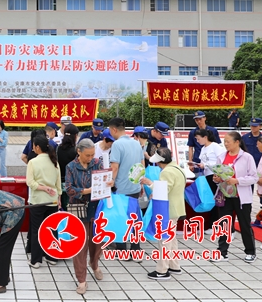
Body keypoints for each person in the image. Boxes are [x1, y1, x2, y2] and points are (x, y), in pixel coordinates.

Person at [140, 147, 187, 280]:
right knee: (171, 239)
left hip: (167, 209)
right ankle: (174, 265)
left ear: (161, 161)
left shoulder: (166, 172)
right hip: (176, 208)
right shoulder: (177, 168)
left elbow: (163, 190)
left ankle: (162, 270)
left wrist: (150, 183)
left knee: (164, 239)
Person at [65, 139, 105, 295]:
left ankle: (94, 264)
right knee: (80, 245)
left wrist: (108, 183)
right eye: (87, 155)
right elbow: (69, 189)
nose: (90, 158)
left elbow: (104, 181)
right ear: (78, 151)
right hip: (78, 208)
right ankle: (81, 279)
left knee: (97, 241)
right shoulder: (71, 167)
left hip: (95, 208)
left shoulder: (97, 163)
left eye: (92, 155)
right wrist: (87, 191)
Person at [210, 131, 257, 263]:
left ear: (237, 142)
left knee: (244, 224)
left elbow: (254, 177)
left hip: (241, 197)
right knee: (224, 223)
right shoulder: (221, 157)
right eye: (224, 141)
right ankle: (222, 252)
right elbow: (218, 174)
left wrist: (237, 181)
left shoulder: (247, 157)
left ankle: (250, 251)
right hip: (225, 195)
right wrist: (217, 179)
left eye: (228, 141)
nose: (225, 144)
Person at [107, 118, 143, 254]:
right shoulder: (136, 143)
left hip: (121, 189)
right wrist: (140, 184)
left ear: (114, 129)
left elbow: (114, 167)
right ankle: (135, 249)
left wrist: (111, 181)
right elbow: (141, 165)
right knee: (134, 218)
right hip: (135, 187)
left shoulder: (117, 145)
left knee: (121, 219)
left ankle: (122, 250)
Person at [26, 135, 61, 268]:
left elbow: (30, 182)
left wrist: (43, 188)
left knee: (37, 230)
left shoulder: (33, 162)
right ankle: (52, 257)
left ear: (37, 147)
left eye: (33, 146)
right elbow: (58, 184)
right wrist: (58, 198)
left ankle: (36, 260)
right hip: (52, 201)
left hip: (38, 201)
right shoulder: (54, 161)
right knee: (52, 229)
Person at [195, 128, 225, 232]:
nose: (197, 141)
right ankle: (212, 224)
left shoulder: (215, 146)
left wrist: (206, 165)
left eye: (198, 139)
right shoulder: (203, 148)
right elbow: (203, 161)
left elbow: (221, 161)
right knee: (210, 199)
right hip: (206, 175)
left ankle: (215, 225)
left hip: (215, 175)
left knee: (215, 200)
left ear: (205, 137)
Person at [56, 124, 80, 212]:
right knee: (73, 211)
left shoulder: (58, 149)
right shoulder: (76, 150)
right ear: (75, 136)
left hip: (60, 183)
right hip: (73, 185)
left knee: (62, 210)